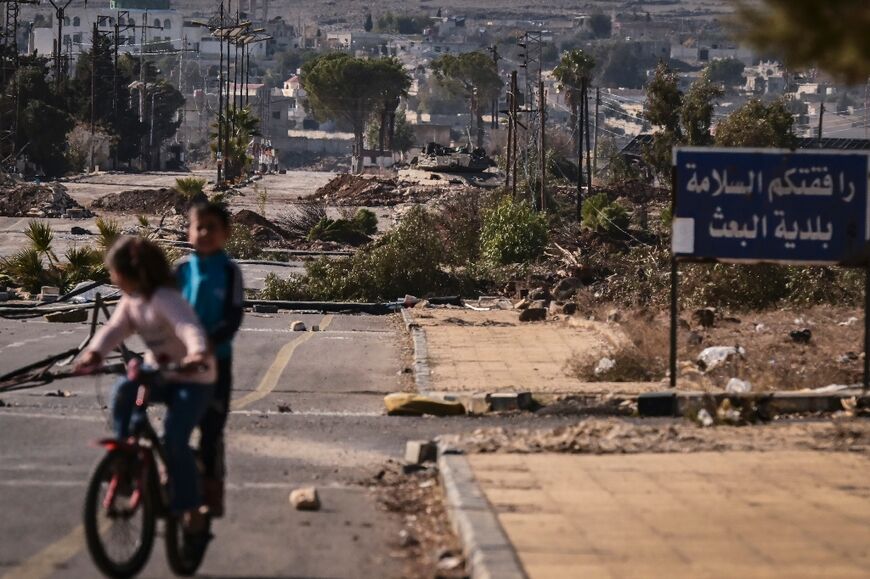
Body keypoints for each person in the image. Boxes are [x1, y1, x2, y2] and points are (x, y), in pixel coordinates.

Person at [75, 236, 216, 531]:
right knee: (124, 390)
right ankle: (124, 456)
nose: (112, 278)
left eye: (114, 272)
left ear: (130, 273)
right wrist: (94, 353)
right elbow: (114, 329)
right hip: (160, 374)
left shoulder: (165, 299)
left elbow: (188, 327)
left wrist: (197, 353)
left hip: (193, 378)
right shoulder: (132, 302)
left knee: (174, 439)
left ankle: (190, 506)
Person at [175, 202, 244, 517]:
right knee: (174, 430)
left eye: (211, 227)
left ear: (226, 233)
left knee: (211, 431)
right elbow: (164, 310)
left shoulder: (229, 272)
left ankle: (211, 491)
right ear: (189, 231)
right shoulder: (181, 271)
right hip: (181, 363)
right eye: (198, 226)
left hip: (217, 363)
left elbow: (233, 317)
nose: (203, 233)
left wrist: (209, 344)